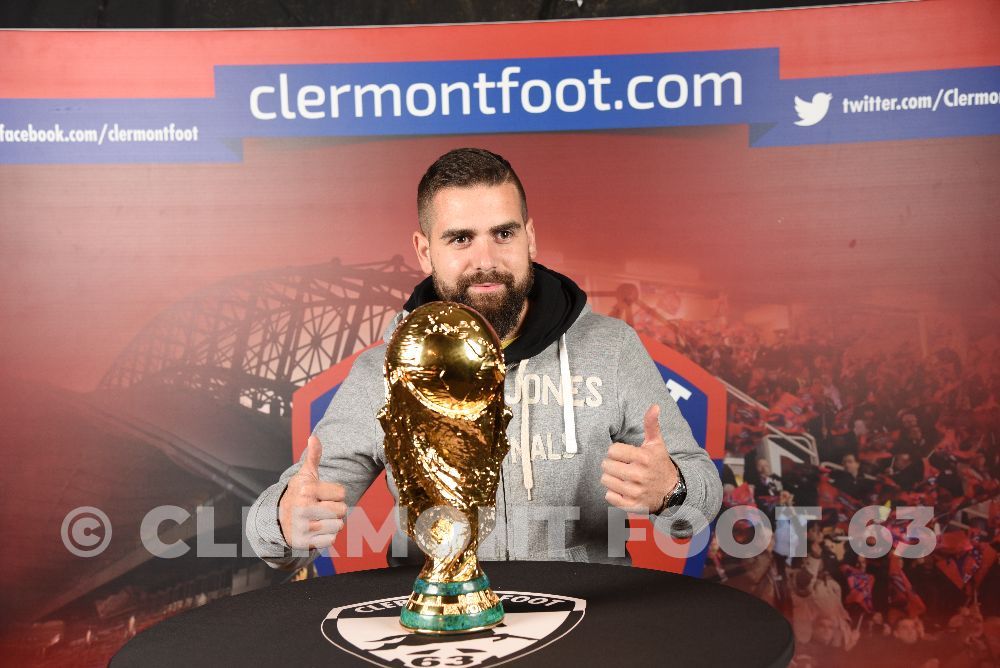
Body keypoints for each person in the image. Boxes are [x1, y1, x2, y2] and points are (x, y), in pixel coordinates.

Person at [246, 148, 722, 571]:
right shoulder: (383, 370)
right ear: (424, 251)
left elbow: (700, 503)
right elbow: (278, 541)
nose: (486, 259)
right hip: (438, 624)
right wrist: (287, 521)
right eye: (460, 239)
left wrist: (672, 490)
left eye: (503, 233)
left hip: (585, 617)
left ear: (530, 238)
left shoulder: (611, 348)